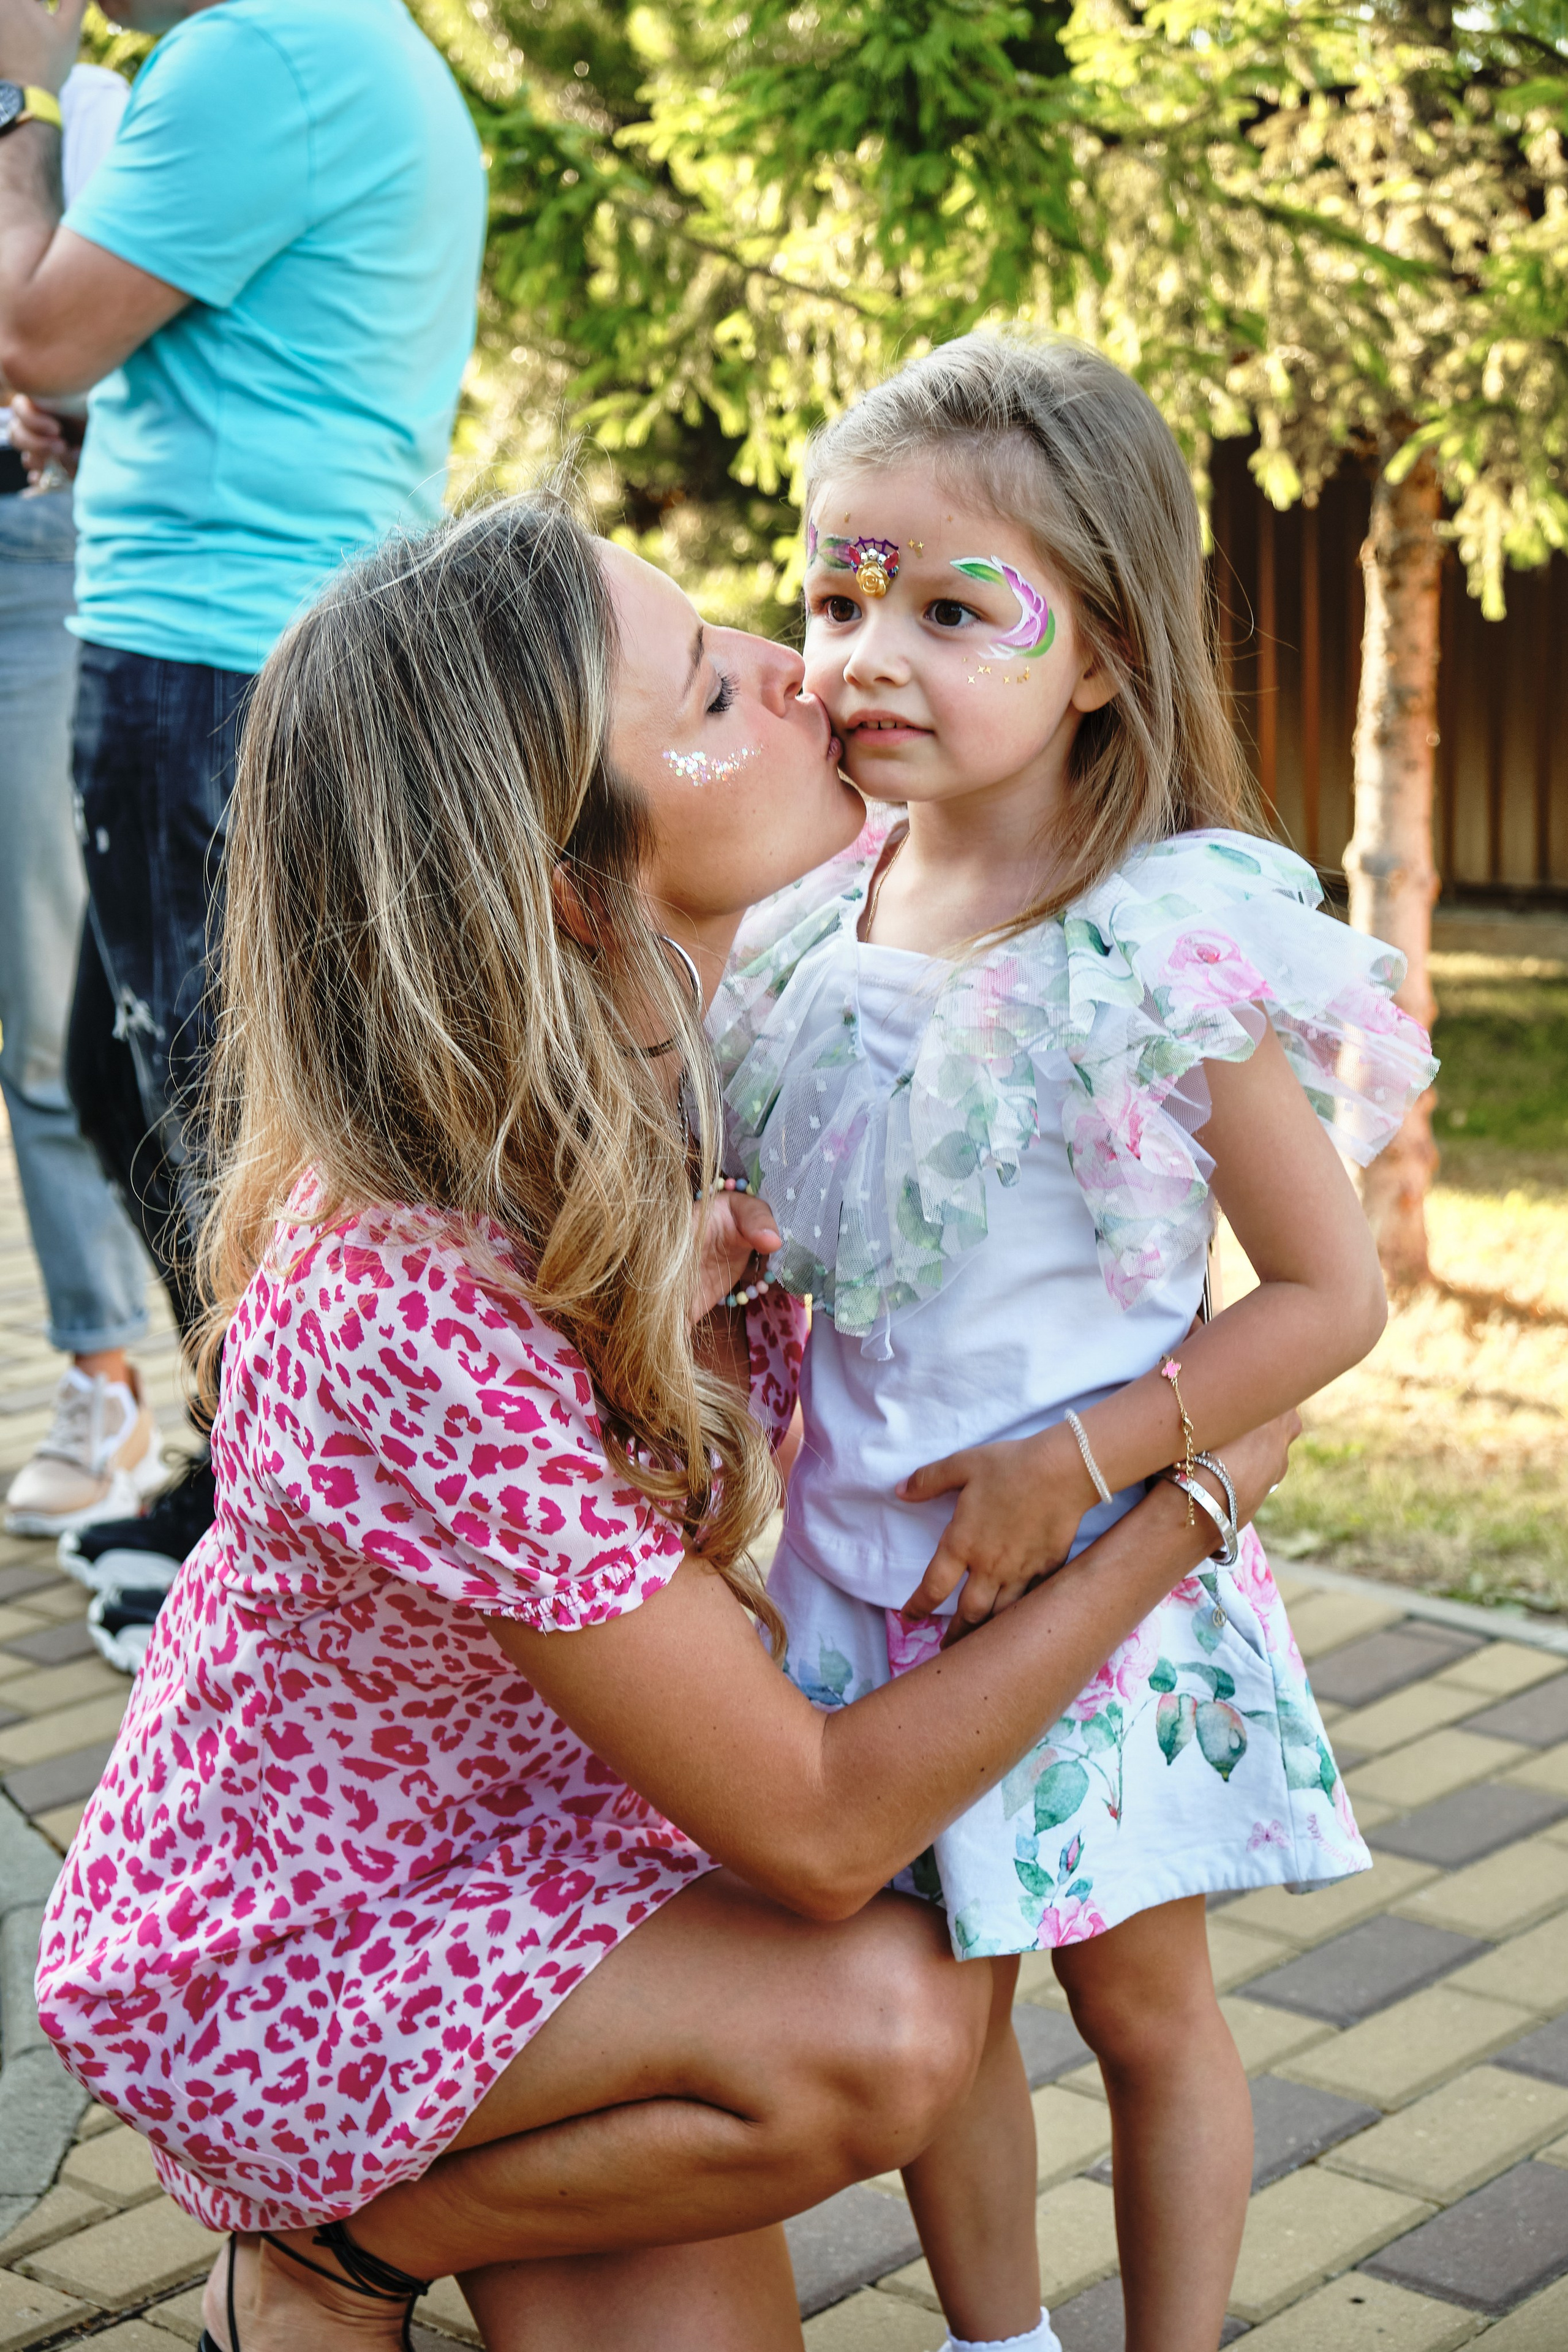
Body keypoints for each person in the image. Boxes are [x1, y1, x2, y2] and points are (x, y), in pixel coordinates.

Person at [35, 494, 1297, 2352]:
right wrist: (1190, 1497)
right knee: (895, 2020)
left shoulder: (710, 1045)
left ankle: (405, 2216)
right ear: (564, 876)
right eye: (715, 681)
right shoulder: (402, 1298)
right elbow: (814, 1829)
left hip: (560, 1857)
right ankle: (331, 2253)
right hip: (304, 1946)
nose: (801, 668)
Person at [707, 334, 1438, 2352]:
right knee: (946, 2025)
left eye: (957, 611)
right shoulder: (802, 915)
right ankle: (994, 2343)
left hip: (1093, 1603)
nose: (870, 652)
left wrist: (1093, 1457)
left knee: (1141, 2005)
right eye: (840, 597)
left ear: (1099, 658)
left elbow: (1328, 1298)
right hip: (858, 1592)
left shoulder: (1156, 948)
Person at [0, 0, 486, 1589]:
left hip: (210, 650)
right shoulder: (328, 48)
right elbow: (130, 359)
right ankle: (248, 1466)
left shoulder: (256, 50)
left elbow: (35, 328)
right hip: (252, 637)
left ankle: (279, 1517)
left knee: (211, 1106)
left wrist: (16, 90)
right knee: (150, 1074)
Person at [0, 53, 165, 1540]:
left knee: (49, 1007)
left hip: (32, 561)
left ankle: (109, 1378)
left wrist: (16, 102)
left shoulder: (91, 103)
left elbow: (44, 344)